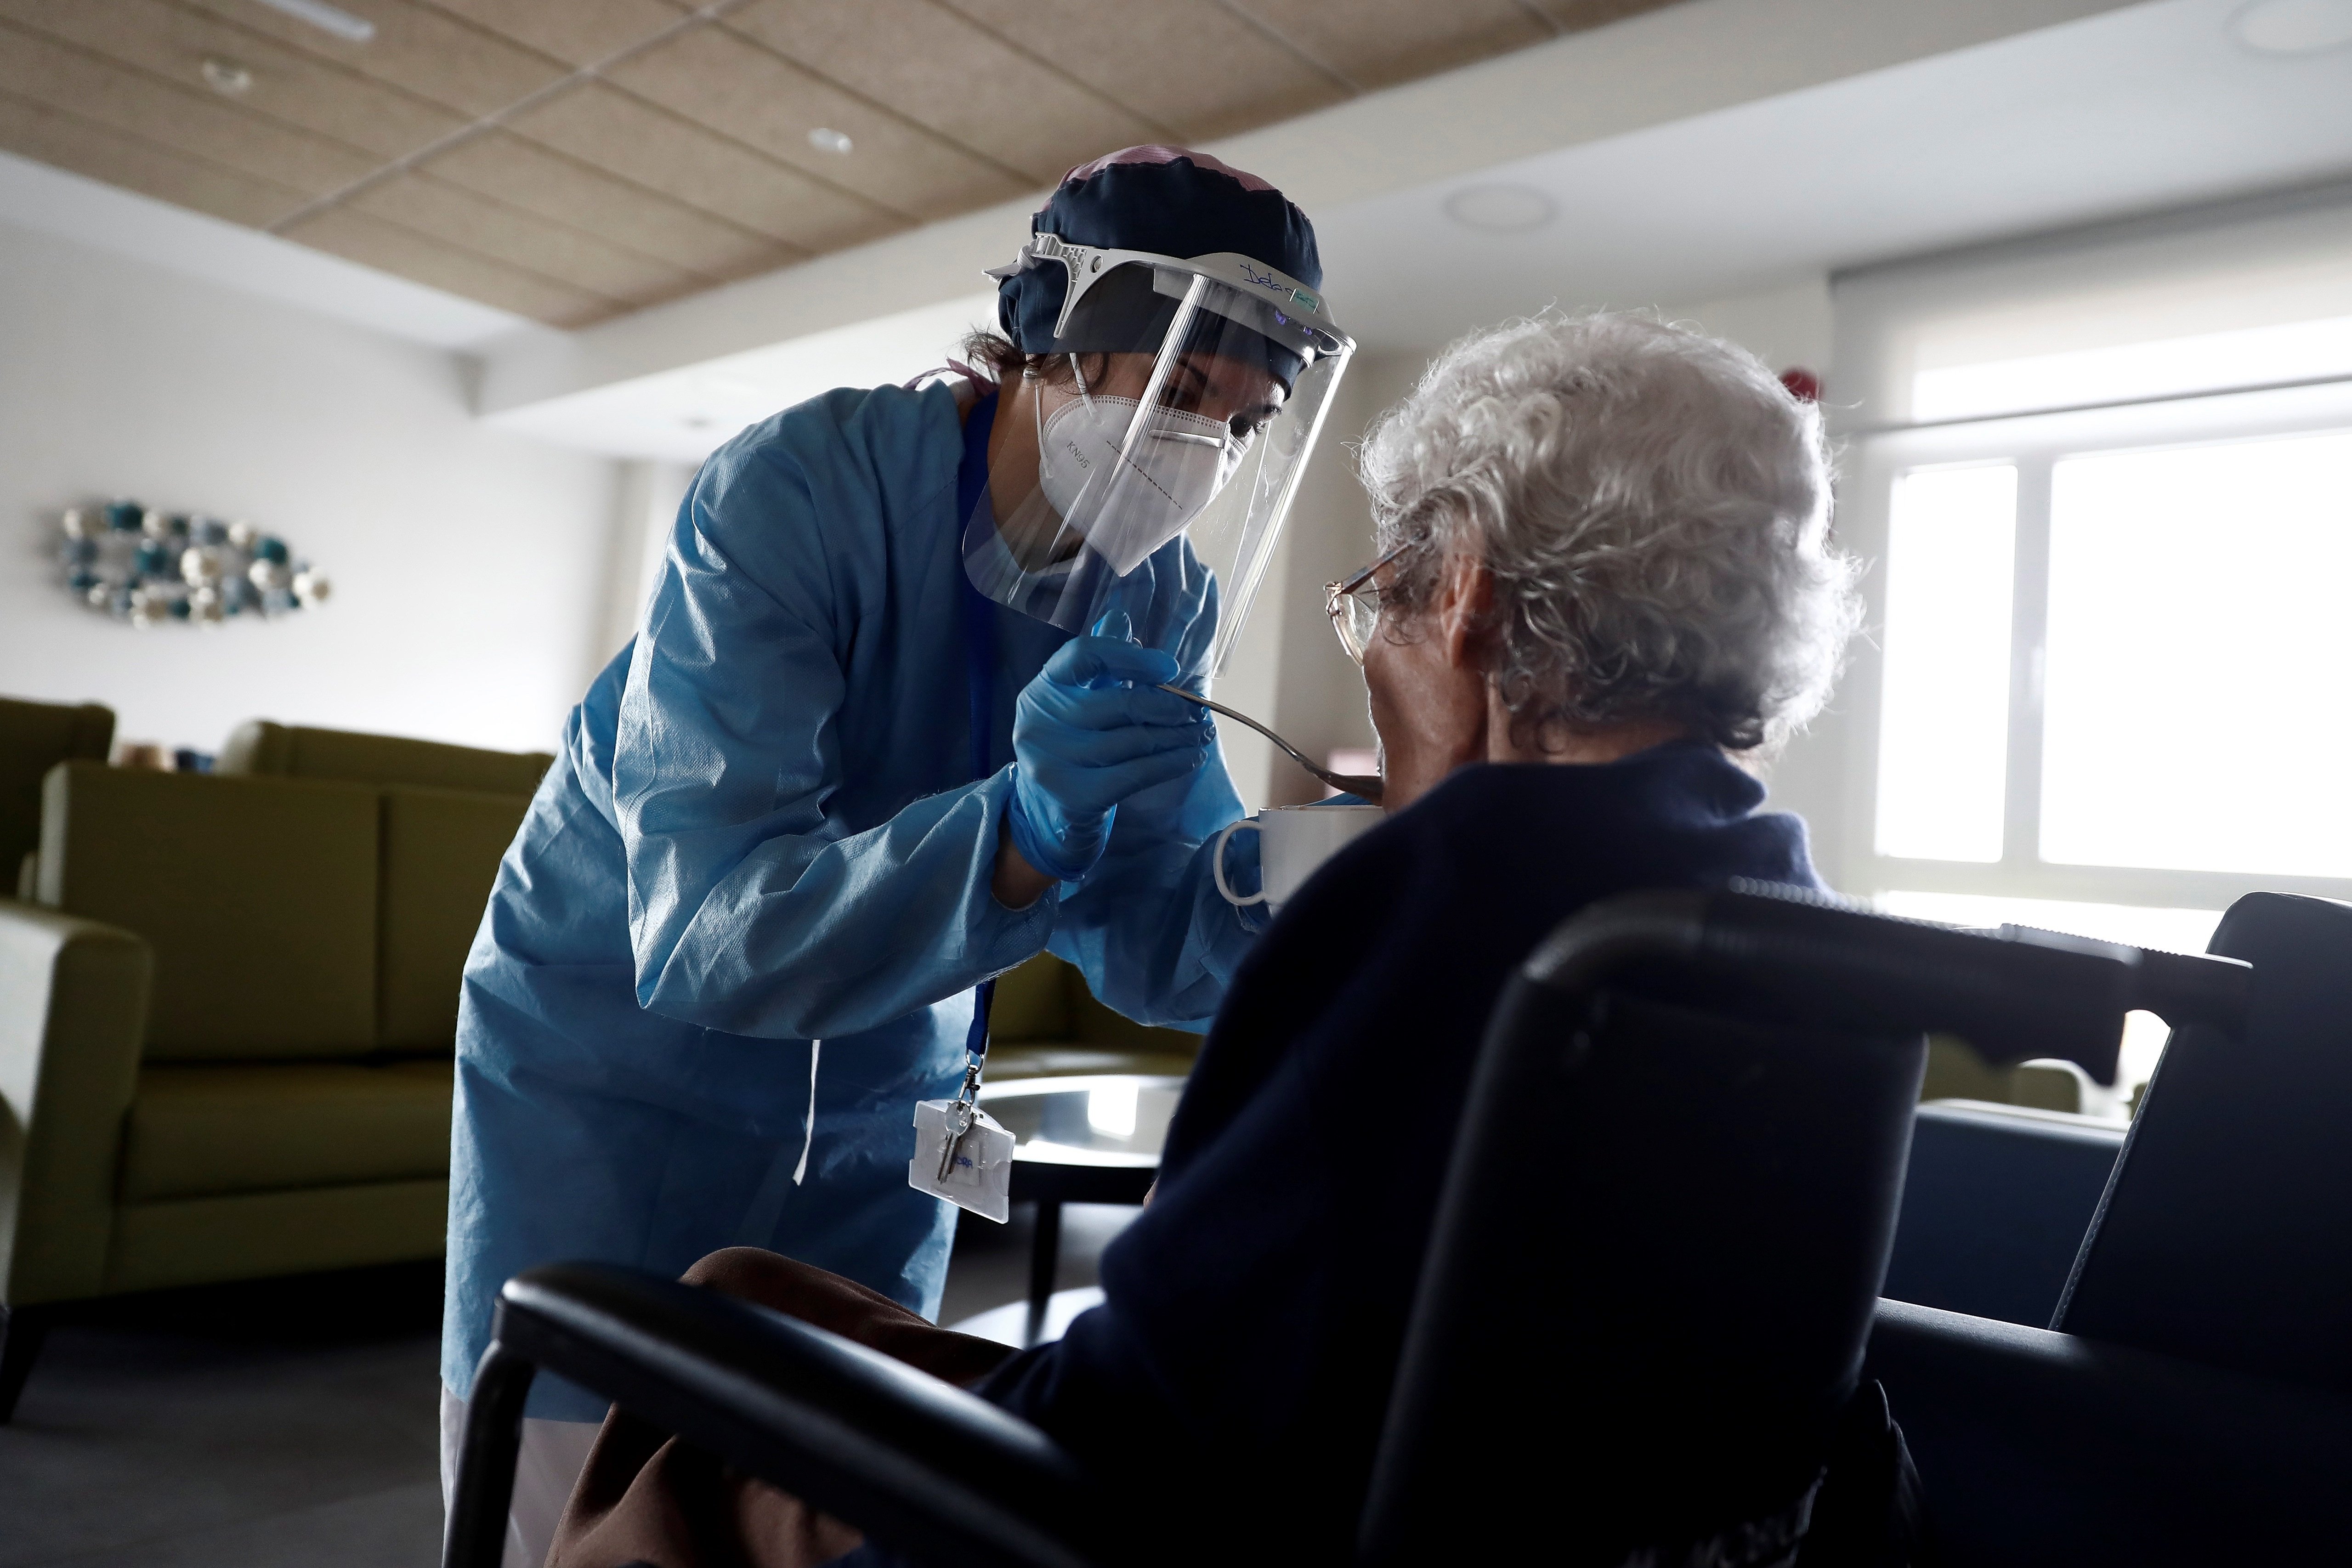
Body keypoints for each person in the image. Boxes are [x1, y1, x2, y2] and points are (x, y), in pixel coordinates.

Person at [540, 310, 1897, 1568]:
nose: (1371, 645)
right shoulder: (1806, 936)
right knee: (746, 1287)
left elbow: (1139, 1423)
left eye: (1380, 600)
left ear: (1468, 591)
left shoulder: (1437, 908)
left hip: (1136, 1522)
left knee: (681, 1386)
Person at [438, 145, 1357, 1564]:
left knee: (847, 1495)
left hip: (889, 1088)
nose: (1203, 452)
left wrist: (1302, 887)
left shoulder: (1162, 594)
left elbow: (1145, 937)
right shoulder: (798, 492)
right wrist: (1022, 831)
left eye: (1242, 421)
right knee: (575, 1506)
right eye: (1179, 388)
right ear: (1050, 336)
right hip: (615, 1076)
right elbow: (705, 935)